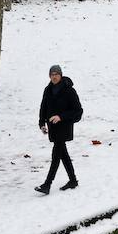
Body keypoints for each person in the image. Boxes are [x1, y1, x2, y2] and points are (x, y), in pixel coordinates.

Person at [36, 64, 83, 194]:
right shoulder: (48, 90)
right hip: (53, 128)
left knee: (56, 155)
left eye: (56, 74)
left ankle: (47, 184)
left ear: (61, 75)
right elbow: (43, 107)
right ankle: (73, 180)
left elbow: (78, 111)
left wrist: (61, 117)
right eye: (52, 74)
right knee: (63, 155)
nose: (54, 76)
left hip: (64, 127)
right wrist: (41, 123)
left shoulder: (69, 90)